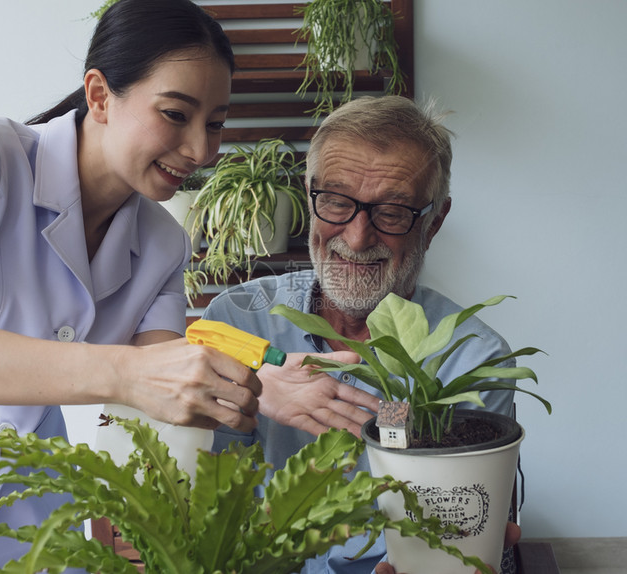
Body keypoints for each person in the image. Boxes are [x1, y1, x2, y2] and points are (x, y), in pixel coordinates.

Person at [0, 1, 262, 572]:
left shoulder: (164, 244)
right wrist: (123, 373)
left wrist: (264, 387)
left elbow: (166, 389)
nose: (202, 151)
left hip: (28, 514)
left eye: (217, 123)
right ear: (100, 95)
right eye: (177, 114)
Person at [205, 95, 520, 574]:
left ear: (434, 221)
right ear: (309, 195)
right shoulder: (239, 321)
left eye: (392, 212)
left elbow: (463, 532)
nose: (356, 237)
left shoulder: (473, 358)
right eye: (335, 201)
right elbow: (214, 505)